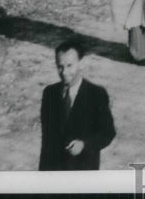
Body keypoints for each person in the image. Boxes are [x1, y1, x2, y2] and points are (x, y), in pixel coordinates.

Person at [39, 38, 116, 170]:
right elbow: (47, 141)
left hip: (83, 171)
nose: (64, 72)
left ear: (81, 63)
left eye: (69, 66)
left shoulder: (96, 94)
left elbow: (107, 133)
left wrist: (84, 145)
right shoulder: (49, 93)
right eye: (60, 66)